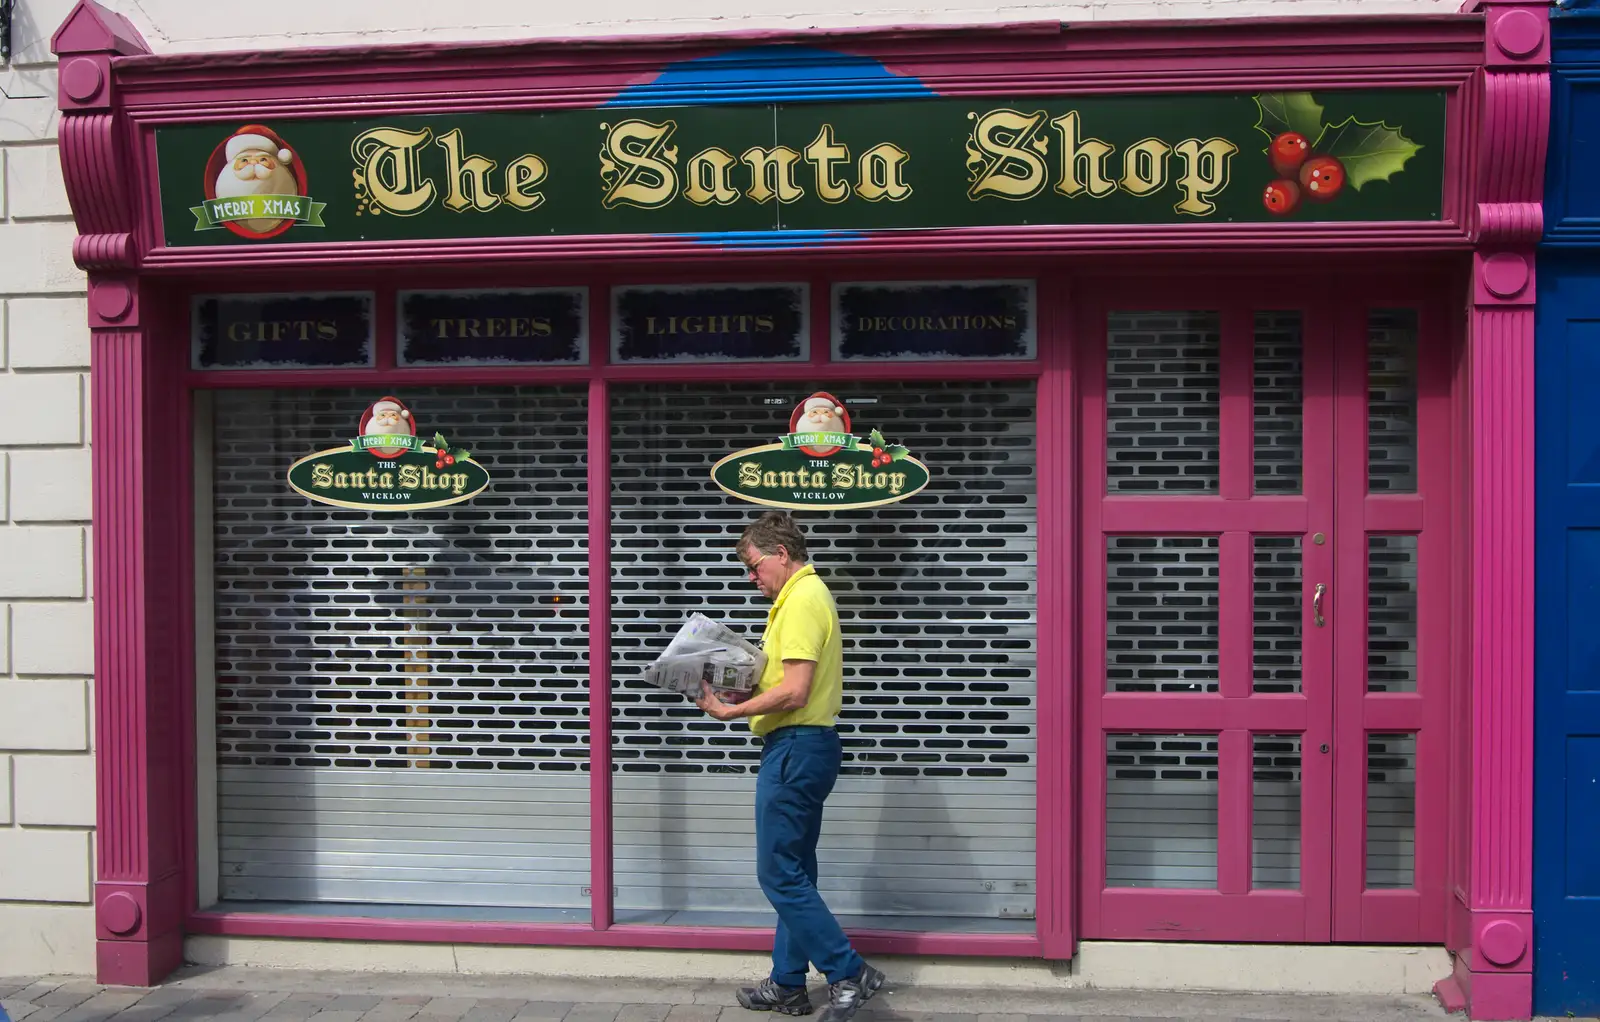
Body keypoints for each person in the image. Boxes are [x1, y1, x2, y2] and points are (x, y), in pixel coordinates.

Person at [695, 511, 886, 1022]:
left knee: (777, 872)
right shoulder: (800, 599)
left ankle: (848, 971)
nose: (752, 577)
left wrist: (731, 709)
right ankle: (786, 984)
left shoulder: (801, 600)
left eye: (755, 567)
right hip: (808, 744)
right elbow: (787, 681)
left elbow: (796, 691)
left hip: (796, 747)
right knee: (796, 869)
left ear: (782, 554)